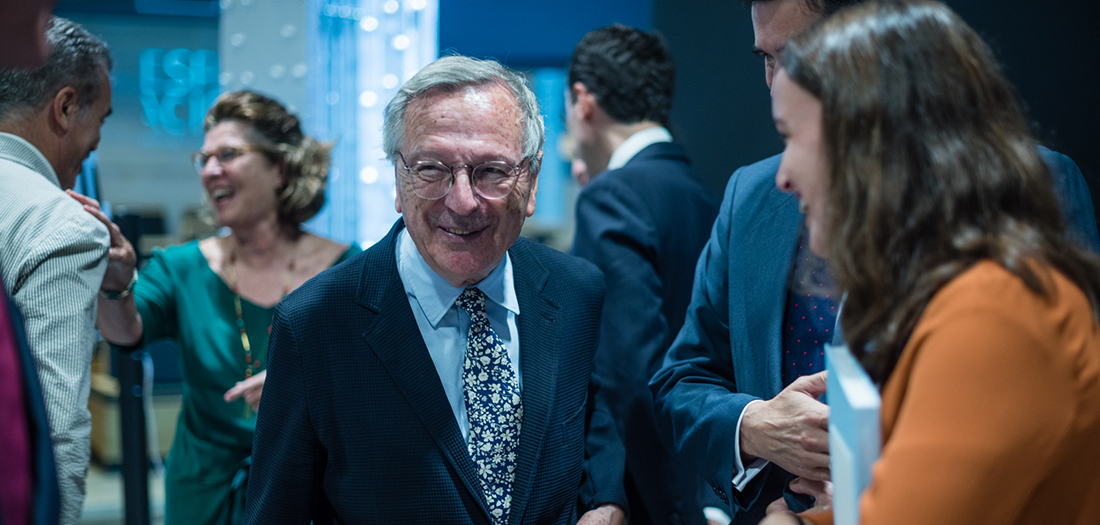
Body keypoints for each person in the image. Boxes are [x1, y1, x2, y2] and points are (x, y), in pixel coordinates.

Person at [648, 0, 1100, 523]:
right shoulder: (960, 287)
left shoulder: (990, 313)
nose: (783, 176)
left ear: (868, 130)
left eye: (795, 136)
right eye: (768, 60)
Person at [245, 55, 627, 525]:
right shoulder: (315, 325)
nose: (462, 201)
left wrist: (607, 503)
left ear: (529, 181)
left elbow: (595, 426)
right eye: (431, 169)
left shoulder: (575, 292)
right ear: (398, 180)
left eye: (491, 170)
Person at [78, 90, 359, 525]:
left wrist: (302, 384)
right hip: (203, 493)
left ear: (279, 167)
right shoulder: (182, 266)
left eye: (228, 154)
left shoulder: (345, 267)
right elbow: (125, 331)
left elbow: (373, 376)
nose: (210, 171)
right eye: (204, 159)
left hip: (309, 491)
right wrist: (115, 286)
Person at [566, 25, 721, 525]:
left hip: (653, 494)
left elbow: (627, 368)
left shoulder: (611, 195)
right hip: (708, 472)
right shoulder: (701, 190)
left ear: (583, 101)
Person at [0, 17, 112, 525]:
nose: (96, 143)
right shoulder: (62, 226)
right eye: (101, 121)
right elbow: (57, 429)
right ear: (66, 107)